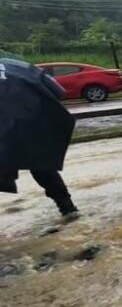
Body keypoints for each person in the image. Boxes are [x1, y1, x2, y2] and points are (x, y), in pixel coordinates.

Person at [0, 55, 79, 217]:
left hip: (4, 127)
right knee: (40, 165)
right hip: (32, 122)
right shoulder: (20, 66)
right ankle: (67, 208)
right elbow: (57, 91)